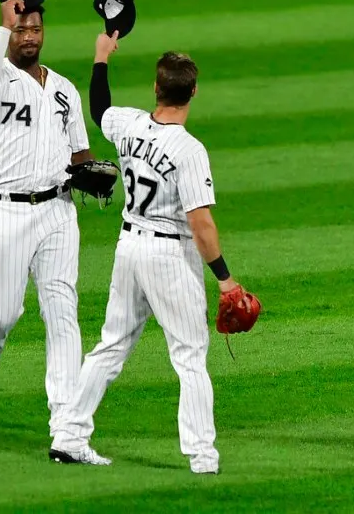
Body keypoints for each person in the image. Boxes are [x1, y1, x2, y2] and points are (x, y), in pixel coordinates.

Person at [48, 32, 253, 473]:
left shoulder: (129, 124)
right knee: (190, 356)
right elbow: (201, 224)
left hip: (129, 249)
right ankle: (202, 455)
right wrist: (225, 279)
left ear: (156, 89)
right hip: (168, 258)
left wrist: (101, 56)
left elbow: (99, 108)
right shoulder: (190, 151)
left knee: (110, 346)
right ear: (193, 92)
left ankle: (69, 434)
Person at [0, 0, 94, 442]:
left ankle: (66, 421)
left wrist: (92, 174)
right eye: (21, 27)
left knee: (62, 311)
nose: (30, 36)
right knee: (0, 315)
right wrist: (2, 26)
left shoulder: (64, 90)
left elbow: (80, 154)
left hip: (57, 212)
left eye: (35, 27)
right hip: (6, 212)